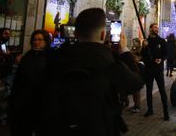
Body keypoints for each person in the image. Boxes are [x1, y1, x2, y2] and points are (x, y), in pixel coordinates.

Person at [39, 8, 144, 136]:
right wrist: (124, 51)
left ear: (76, 33)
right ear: (102, 35)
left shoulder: (55, 59)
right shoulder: (110, 64)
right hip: (101, 127)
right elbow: (136, 83)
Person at [10, 29, 51, 136]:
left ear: (46, 41)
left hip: (40, 101)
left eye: (40, 40)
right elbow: (19, 78)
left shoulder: (50, 57)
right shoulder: (27, 56)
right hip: (24, 100)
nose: (36, 42)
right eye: (34, 39)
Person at [141, 23, 170, 121]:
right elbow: (143, 56)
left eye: (157, 27)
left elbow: (166, 54)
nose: (157, 29)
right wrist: (144, 47)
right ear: (150, 29)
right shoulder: (146, 41)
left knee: (162, 91)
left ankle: (166, 112)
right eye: (155, 27)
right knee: (149, 90)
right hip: (149, 70)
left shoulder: (161, 41)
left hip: (158, 70)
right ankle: (150, 109)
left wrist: (161, 59)